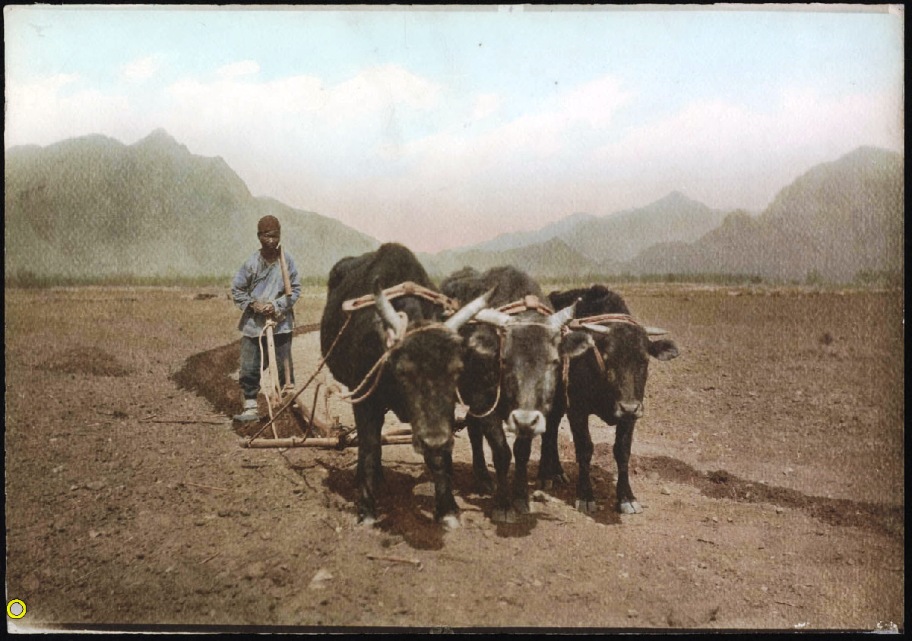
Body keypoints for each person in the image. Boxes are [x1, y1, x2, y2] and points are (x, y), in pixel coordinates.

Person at [230, 215, 301, 421]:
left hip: (281, 323)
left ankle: (288, 409)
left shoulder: (287, 261)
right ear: (259, 237)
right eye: (267, 236)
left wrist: (277, 305)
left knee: (283, 367)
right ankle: (251, 407)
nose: (272, 240)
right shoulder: (252, 263)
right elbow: (238, 290)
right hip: (254, 324)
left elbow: (294, 289)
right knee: (250, 365)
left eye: (276, 236)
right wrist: (255, 305)